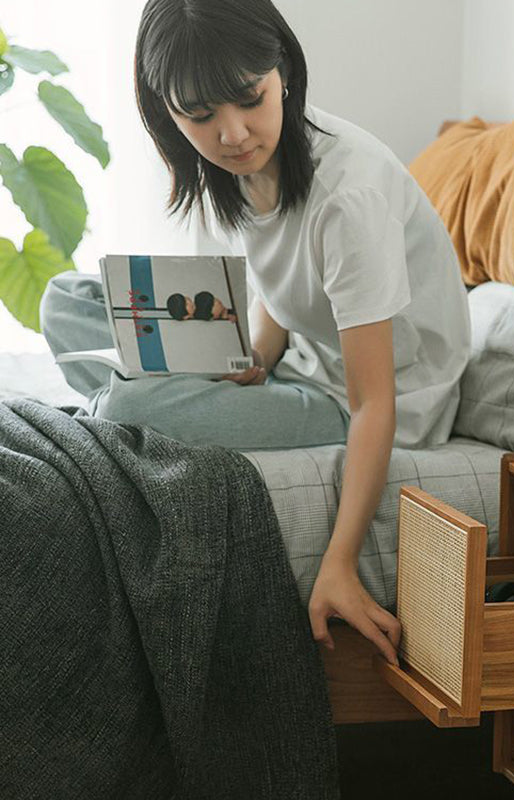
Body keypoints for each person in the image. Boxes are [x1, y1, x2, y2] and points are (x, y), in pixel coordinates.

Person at [39, 0, 470, 665]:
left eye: (248, 99)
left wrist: (340, 564)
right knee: (65, 300)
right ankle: (151, 381)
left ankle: (125, 395)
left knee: (127, 405)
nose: (233, 134)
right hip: (298, 361)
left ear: (285, 73)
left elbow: (373, 403)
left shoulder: (349, 194)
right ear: (166, 112)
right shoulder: (235, 170)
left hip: (367, 397)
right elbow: (284, 287)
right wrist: (254, 358)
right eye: (200, 115)